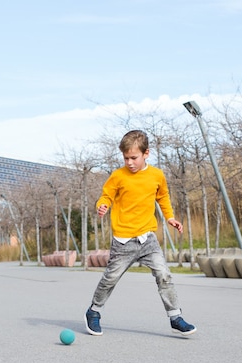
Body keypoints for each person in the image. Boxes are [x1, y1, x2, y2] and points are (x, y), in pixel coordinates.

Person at [84, 130, 197, 337]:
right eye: (126, 158)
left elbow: (162, 197)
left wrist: (170, 217)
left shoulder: (157, 176)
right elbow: (106, 196)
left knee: (163, 274)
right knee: (111, 278)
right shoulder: (118, 176)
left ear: (146, 153)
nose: (129, 162)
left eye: (133, 158)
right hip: (123, 240)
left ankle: (175, 316)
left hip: (147, 238)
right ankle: (94, 311)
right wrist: (102, 206)